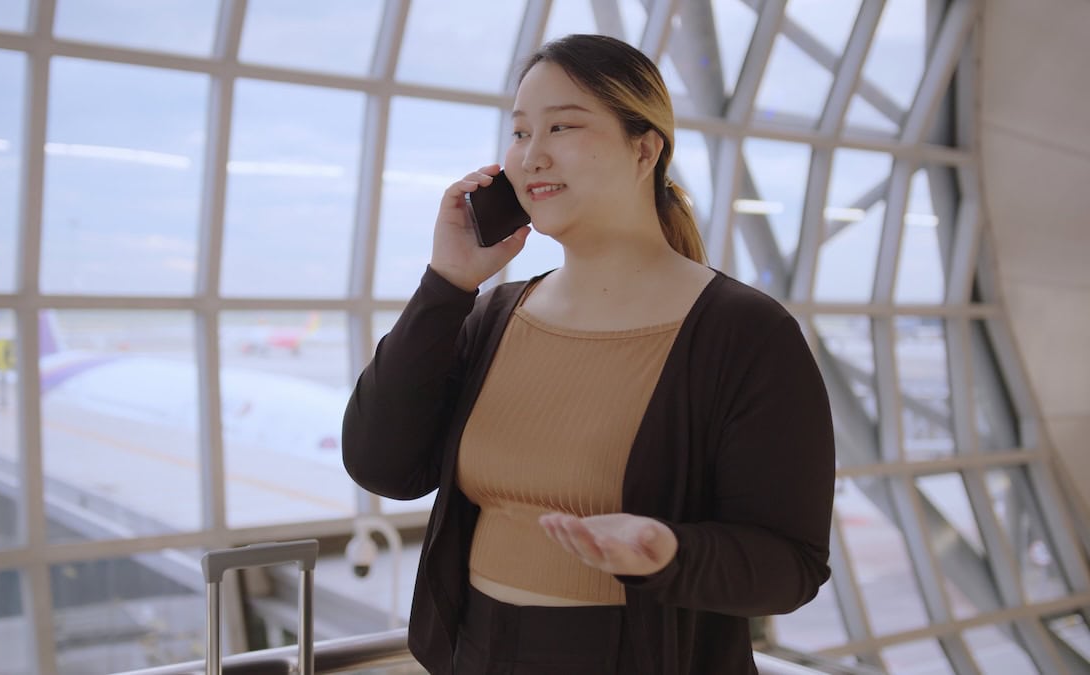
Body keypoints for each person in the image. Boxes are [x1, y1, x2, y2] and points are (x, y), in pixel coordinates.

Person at [343, 33, 835, 674]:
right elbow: (384, 466)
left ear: (645, 148)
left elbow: (791, 565)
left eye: (563, 127)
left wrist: (670, 553)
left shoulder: (742, 334)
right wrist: (447, 284)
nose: (533, 156)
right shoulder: (496, 314)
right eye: (520, 134)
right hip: (478, 654)